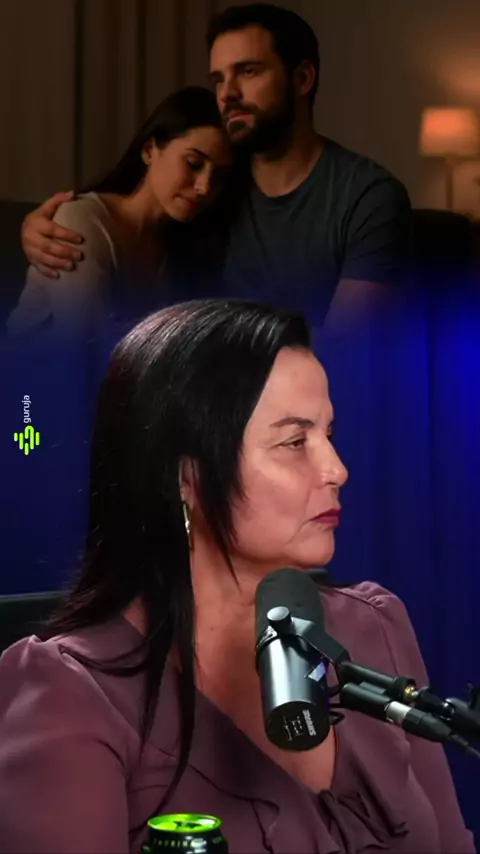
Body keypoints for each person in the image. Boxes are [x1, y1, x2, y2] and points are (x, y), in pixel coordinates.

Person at [0, 299, 473, 854]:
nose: (337, 469)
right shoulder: (69, 692)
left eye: (329, 434)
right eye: (294, 442)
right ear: (184, 477)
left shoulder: (376, 625)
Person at [19, 3, 411, 338]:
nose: (227, 93)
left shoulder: (366, 196)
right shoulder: (216, 189)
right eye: (219, 79)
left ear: (302, 79)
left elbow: (346, 350)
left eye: (249, 71)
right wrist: (37, 228)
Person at [6, 86, 232, 337]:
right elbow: (84, 349)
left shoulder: (181, 251)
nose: (205, 187)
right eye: (193, 164)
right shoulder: (84, 222)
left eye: (219, 176)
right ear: (149, 151)